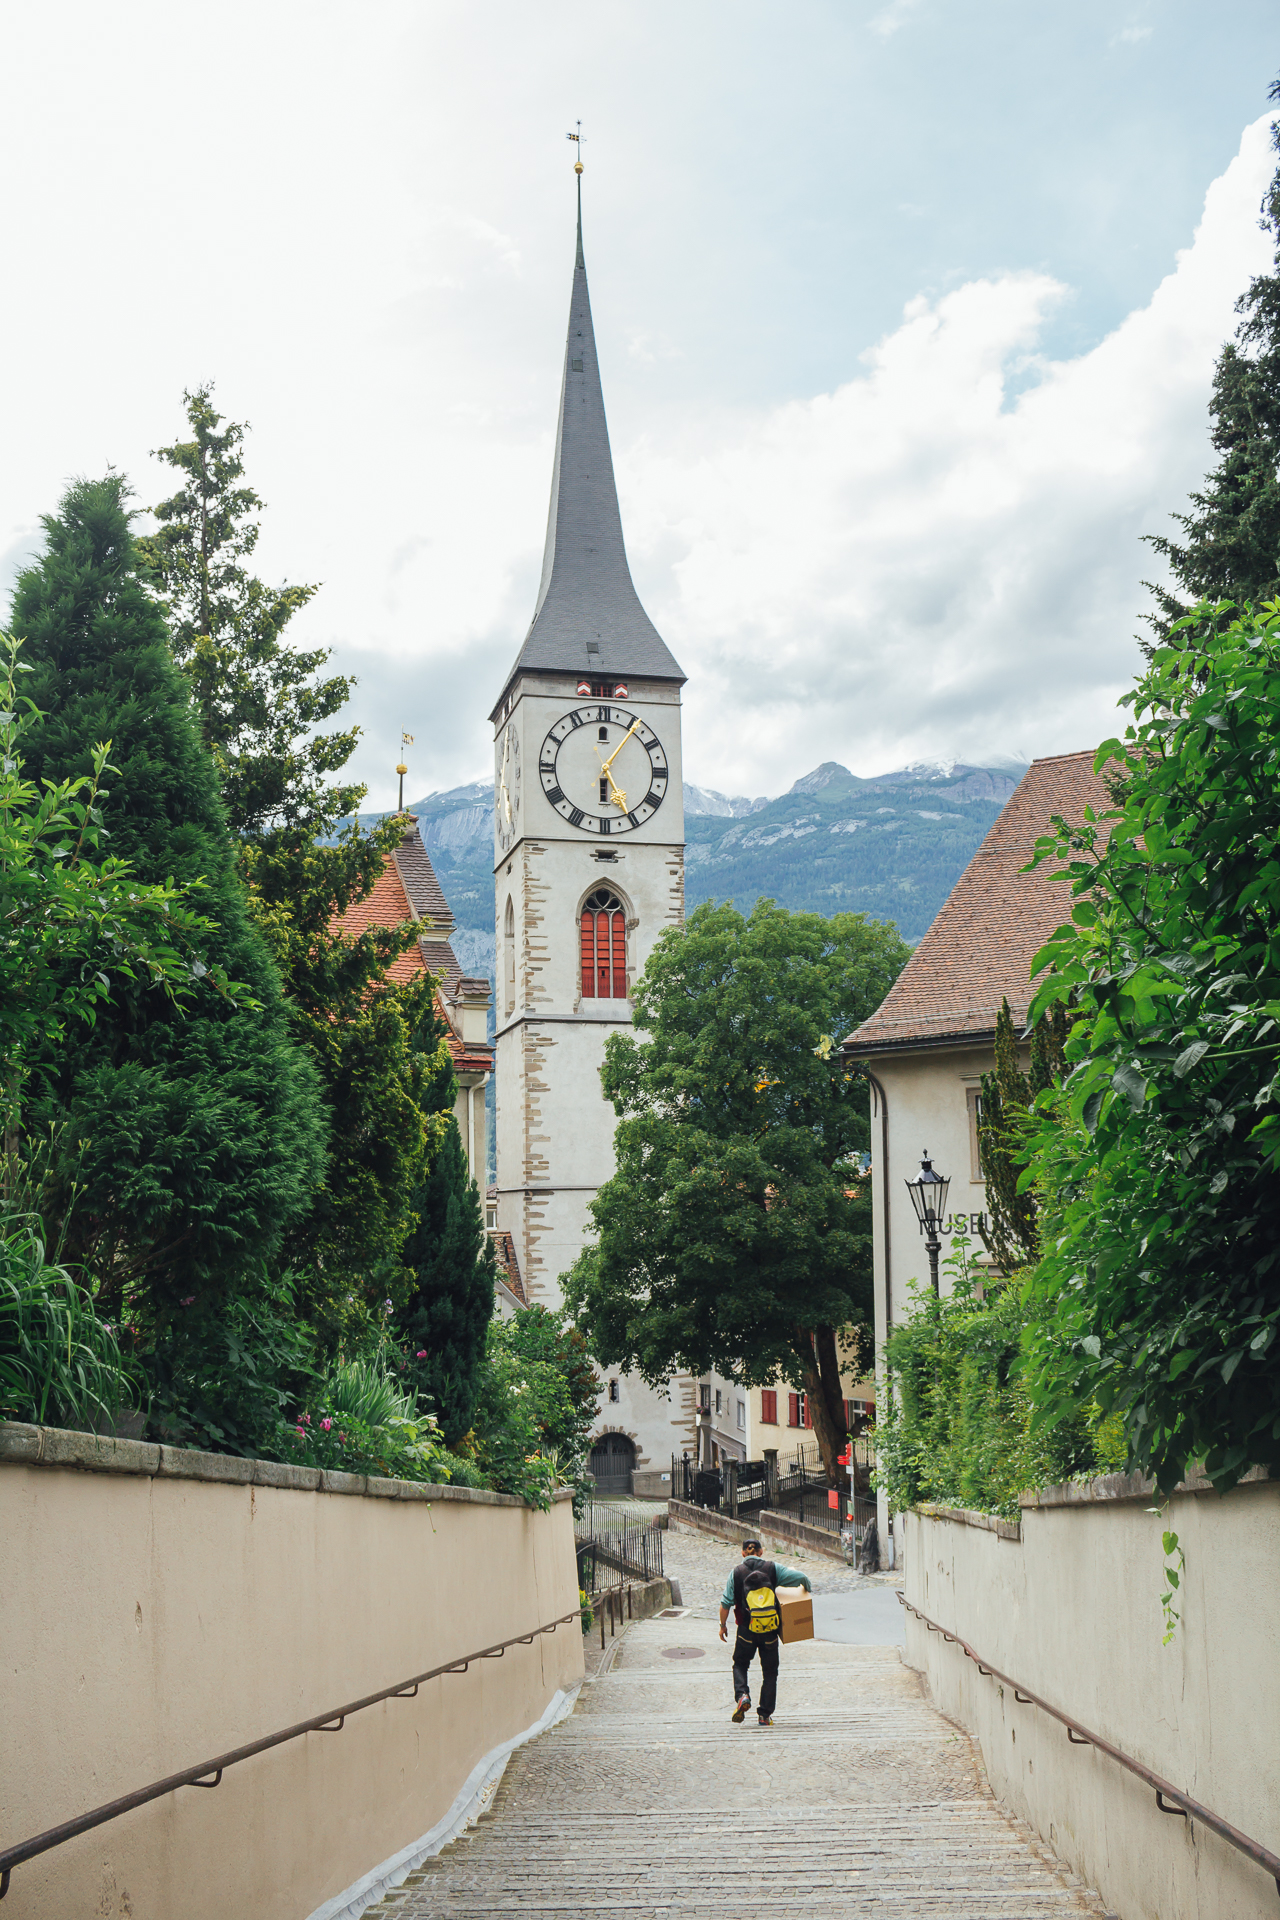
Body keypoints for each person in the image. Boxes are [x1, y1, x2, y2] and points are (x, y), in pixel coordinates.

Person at [718, 1536, 812, 1727]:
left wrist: (722, 1626)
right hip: (770, 1630)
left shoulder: (736, 1573)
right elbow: (801, 1578)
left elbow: (725, 1603)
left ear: (743, 1553)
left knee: (740, 1664)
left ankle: (743, 1695)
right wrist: (808, 1591)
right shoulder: (772, 1568)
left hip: (746, 1630)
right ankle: (764, 1715)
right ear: (761, 1552)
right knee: (770, 1672)